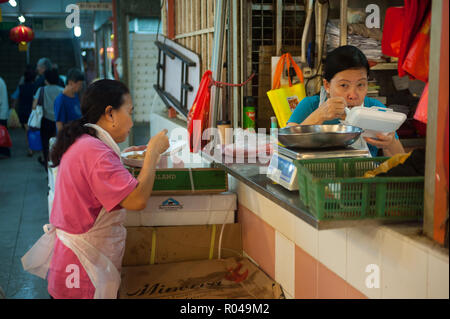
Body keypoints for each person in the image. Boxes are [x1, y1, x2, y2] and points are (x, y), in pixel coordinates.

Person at [21, 79, 170, 299]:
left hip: (74, 264)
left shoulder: (87, 143)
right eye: (129, 112)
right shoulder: (96, 152)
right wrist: (153, 155)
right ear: (110, 114)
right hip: (82, 273)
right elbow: (137, 201)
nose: (131, 121)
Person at [287, 45, 405, 157]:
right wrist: (319, 116)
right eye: (344, 85)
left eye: (360, 84)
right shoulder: (310, 106)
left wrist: (390, 143)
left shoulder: (375, 109)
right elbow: (285, 148)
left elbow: (400, 161)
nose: (353, 95)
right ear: (327, 85)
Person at [32, 68, 64, 169]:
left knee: (46, 146)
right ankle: (58, 167)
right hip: (60, 121)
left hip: (45, 121)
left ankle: (48, 168)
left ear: (46, 80)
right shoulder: (62, 91)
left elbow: (34, 106)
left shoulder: (41, 90)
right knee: (59, 145)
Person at [54, 68, 85, 132]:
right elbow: (59, 124)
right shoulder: (61, 100)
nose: (81, 87)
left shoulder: (75, 96)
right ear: (70, 82)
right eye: (79, 84)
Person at [15, 69, 36, 156]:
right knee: (33, 130)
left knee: (27, 130)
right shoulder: (36, 87)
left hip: (23, 112)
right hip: (33, 111)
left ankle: (30, 148)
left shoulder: (21, 87)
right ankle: (35, 146)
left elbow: (15, 97)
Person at [0, 76, 11, 158]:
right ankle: (5, 152)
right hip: (3, 111)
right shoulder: (1, 81)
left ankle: (5, 152)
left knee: (2, 134)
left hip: (1, 112)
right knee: (3, 134)